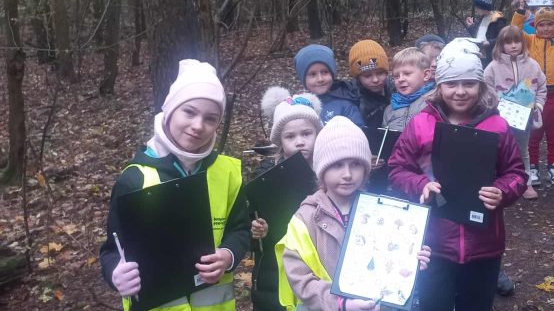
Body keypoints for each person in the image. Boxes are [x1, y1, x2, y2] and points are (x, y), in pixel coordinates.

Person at [99, 59, 250, 311]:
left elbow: (240, 230)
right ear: (169, 110)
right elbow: (111, 250)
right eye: (189, 112)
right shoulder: (135, 178)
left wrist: (228, 256)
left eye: (210, 119)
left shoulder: (227, 172)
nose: (198, 126)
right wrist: (115, 273)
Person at [388, 38, 527, 310]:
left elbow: (516, 174)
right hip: (433, 244)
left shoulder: (497, 126)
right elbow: (397, 169)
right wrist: (420, 185)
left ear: (480, 85)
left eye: (469, 83)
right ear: (439, 86)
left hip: (484, 244)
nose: (460, 91)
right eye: (451, 83)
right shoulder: (421, 124)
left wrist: (502, 191)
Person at [277, 116, 432, 311]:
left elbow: (390, 263)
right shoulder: (305, 219)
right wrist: (342, 304)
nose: (348, 174)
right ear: (321, 170)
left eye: (356, 164)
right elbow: (300, 279)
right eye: (337, 165)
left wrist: (410, 257)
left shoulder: (384, 213)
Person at [251, 87, 324, 310]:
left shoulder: (329, 171)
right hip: (276, 268)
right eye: (290, 136)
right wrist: (256, 230)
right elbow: (252, 218)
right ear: (280, 141)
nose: (299, 141)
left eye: (306, 133)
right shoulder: (267, 176)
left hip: (319, 265)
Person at [512, 0, 554, 186]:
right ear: (535, 26)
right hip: (531, 95)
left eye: (550, 24)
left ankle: (553, 166)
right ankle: (532, 167)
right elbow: (514, 31)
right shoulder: (530, 41)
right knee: (532, 133)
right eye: (542, 24)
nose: (546, 28)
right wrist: (520, 10)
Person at [485, 26, 547, 200]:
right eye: (508, 42)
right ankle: (496, 182)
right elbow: (485, 90)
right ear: (500, 45)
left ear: (523, 42)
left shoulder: (532, 65)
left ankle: (525, 182)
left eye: (517, 41)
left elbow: (542, 86)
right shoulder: (492, 67)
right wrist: (493, 108)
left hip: (524, 118)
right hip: (499, 119)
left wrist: (539, 106)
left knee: (522, 150)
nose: (513, 46)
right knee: (496, 149)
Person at [295, 44, 364, 126]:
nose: (320, 79)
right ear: (303, 79)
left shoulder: (345, 104)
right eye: (313, 74)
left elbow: (359, 132)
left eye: (325, 72)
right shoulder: (298, 105)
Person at [383, 47, 435, 131]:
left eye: (407, 74)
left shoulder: (434, 102)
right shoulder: (389, 110)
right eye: (396, 76)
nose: (400, 79)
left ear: (425, 75)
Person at [345, 40, 392, 129]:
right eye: (367, 76)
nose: (375, 80)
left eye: (380, 73)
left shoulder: (397, 89)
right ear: (358, 77)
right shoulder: (355, 102)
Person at [466, 0, 507, 65]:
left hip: (493, 58)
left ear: (483, 6)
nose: (476, 9)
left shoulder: (498, 19)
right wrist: (471, 26)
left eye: (477, 7)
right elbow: (479, 36)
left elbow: (504, 38)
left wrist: (489, 43)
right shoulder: (482, 18)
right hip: (481, 56)